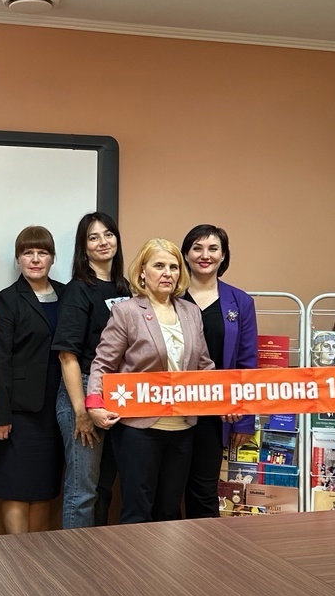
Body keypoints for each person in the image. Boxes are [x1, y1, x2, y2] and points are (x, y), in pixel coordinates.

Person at [85, 238, 216, 523]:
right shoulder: (127, 311)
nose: (167, 273)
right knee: (137, 511)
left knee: (169, 512)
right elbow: (103, 363)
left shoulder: (192, 312)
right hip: (138, 429)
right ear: (143, 272)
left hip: (182, 427)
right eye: (159, 266)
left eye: (173, 267)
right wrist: (94, 404)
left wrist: (229, 397)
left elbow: (204, 365)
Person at [51, 212, 131, 528]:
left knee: (103, 488)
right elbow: (67, 356)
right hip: (83, 393)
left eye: (108, 234)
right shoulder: (78, 289)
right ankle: (75, 556)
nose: (103, 242)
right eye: (93, 237)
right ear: (83, 247)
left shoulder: (126, 287)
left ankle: (95, 553)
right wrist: (81, 411)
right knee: (82, 491)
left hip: (118, 393)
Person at [0, 226, 66, 534]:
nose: (35, 259)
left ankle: (37, 555)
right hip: (18, 410)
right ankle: (16, 554)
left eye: (42, 252)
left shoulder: (67, 294)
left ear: (52, 258)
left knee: (44, 486)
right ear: (18, 258)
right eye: (27, 253)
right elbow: (0, 359)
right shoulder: (7, 299)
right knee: (16, 485)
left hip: (57, 407)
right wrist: (1, 415)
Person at [180, 224, 258, 518]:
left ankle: (203, 547)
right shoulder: (169, 295)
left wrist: (244, 418)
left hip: (215, 412)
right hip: (171, 409)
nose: (205, 255)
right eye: (197, 248)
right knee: (167, 490)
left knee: (203, 491)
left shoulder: (240, 302)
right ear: (185, 254)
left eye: (213, 249)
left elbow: (247, 362)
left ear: (223, 255)